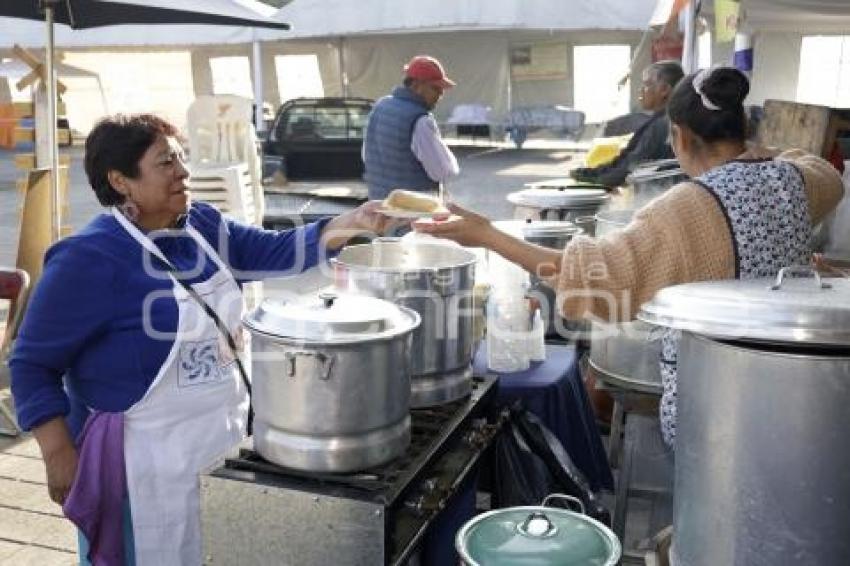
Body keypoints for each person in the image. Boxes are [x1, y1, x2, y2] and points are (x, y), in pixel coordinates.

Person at [9, 113, 393, 565]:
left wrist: (357, 220)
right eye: (166, 162)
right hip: (144, 467)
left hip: (221, 445)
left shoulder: (202, 227)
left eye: (182, 158)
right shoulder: (88, 259)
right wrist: (58, 453)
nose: (184, 172)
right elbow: (31, 364)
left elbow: (276, 250)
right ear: (121, 180)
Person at [414, 67, 844, 447]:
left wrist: (486, 234)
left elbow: (586, 274)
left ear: (678, 135)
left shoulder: (685, 209)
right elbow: (826, 172)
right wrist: (756, 152)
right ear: (741, 128)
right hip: (795, 395)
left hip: (717, 408)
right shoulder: (795, 180)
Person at [570, 60, 685, 188]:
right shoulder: (671, 119)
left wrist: (587, 177)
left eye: (646, 84)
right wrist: (591, 172)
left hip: (659, 198)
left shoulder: (662, 125)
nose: (641, 91)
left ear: (664, 90)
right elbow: (624, 162)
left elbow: (627, 168)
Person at [363, 55, 460, 200]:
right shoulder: (420, 119)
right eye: (436, 88)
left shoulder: (380, 106)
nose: (440, 94)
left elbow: (366, 155)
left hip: (379, 207)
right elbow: (443, 171)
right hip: (412, 212)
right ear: (416, 86)